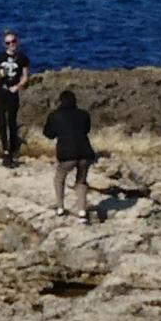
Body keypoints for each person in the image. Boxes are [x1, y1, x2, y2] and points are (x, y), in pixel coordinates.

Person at [42, 89, 97, 222]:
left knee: (59, 178)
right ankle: (82, 211)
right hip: (85, 152)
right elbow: (87, 129)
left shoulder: (55, 115)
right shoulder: (84, 114)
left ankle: (60, 207)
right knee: (81, 181)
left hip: (67, 153)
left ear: (60, 101)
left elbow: (48, 134)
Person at [0, 31, 30, 167]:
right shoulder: (0, 57)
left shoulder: (22, 58)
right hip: (1, 91)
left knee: (11, 122)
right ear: (4, 44)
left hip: (12, 93)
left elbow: (25, 76)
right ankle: (5, 151)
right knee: (2, 123)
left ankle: (11, 151)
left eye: (13, 42)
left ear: (17, 42)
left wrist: (18, 86)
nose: (11, 45)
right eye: (8, 43)